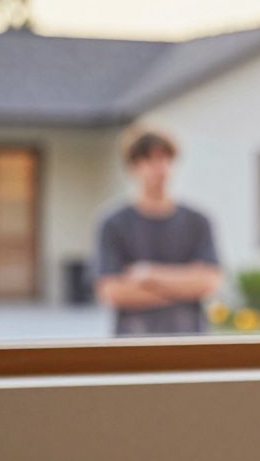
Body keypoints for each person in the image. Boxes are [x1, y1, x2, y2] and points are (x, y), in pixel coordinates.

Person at [95, 130, 221, 336]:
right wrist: (185, 284)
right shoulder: (113, 223)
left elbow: (209, 282)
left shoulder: (198, 220)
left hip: (190, 346)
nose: (159, 169)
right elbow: (112, 292)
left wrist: (147, 274)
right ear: (133, 166)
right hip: (134, 346)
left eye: (165, 159)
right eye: (149, 160)